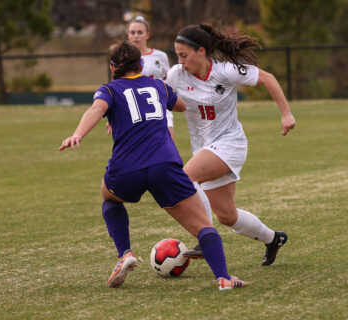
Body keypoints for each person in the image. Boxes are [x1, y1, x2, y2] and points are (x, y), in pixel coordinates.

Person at [58, 41, 245, 291]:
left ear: (113, 68)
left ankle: (125, 253)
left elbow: (96, 108)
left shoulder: (109, 90)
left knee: (110, 198)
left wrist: (78, 134)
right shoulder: (158, 85)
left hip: (127, 167)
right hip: (164, 164)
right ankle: (223, 278)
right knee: (203, 226)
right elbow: (180, 106)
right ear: (141, 64)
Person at [165, 24, 296, 265]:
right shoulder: (176, 75)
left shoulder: (226, 71)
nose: (180, 61)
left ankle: (206, 238)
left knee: (184, 179)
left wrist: (286, 114)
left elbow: (267, 78)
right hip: (204, 150)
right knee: (227, 216)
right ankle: (273, 239)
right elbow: (157, 98)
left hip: (230, 144)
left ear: (201, 52)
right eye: (177, 56)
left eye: (184, 55)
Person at [126, 16, 175, 140]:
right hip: (136, 108)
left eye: (140, 32)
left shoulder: (160, 56)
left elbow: (168, 80)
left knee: (169, 144)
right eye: (133, 33)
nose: (136, 36)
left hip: (160, 105)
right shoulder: (124, 58)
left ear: (147, 35)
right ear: (128, 35)